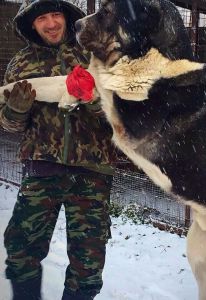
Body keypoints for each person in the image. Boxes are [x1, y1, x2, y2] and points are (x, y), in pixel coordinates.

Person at [0, 0, 118, 299]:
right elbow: (9, 126)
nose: (51, 24)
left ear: (66, 16)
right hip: (41, 169)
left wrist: (92, 99)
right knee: (21, 249)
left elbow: (120, 116)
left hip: (92, 172)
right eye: (42, 18)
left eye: (55, 15)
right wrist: (15, 112)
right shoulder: (21, 63)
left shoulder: (96, 56)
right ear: (31, 23)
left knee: (88, 263)